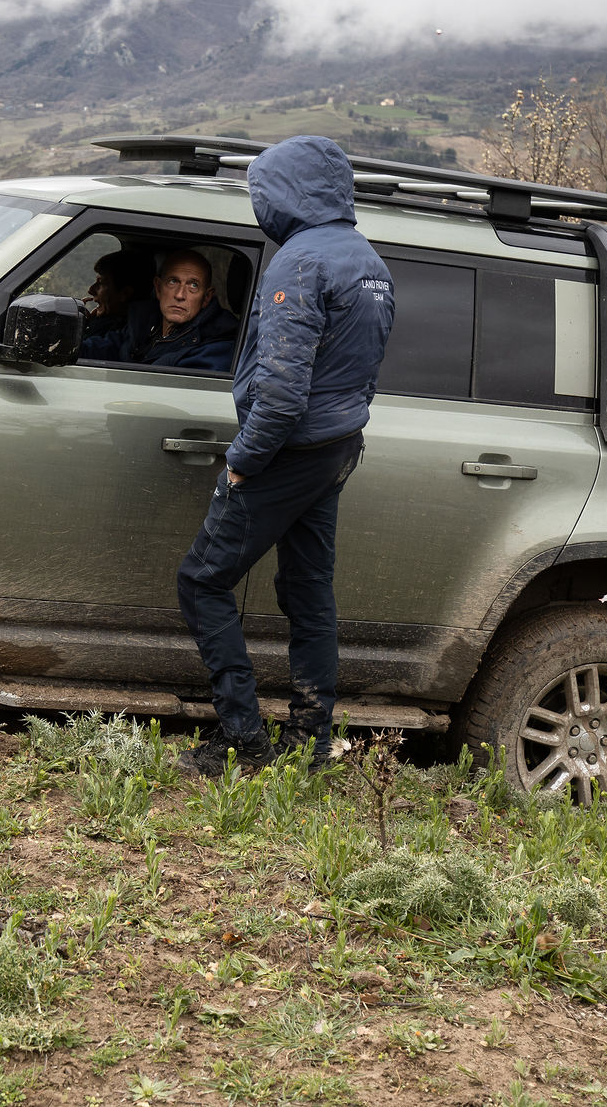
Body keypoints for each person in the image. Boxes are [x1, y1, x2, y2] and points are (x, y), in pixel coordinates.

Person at [175, 136, 395, 773]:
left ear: (286, 193)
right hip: (336, 446)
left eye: (260, 191)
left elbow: (281, 390)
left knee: (201, 582)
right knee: (307, 589)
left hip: (287, 452)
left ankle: (243, 740)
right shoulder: (367, 261)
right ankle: (312, 740)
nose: (257, 204)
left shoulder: (299, 263)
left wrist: (243, 459)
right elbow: (358, 372)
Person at [82, 249, 239, 371]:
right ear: (158, 288)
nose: (179, 295)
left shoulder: (217, 348)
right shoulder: (142, 323)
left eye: (193, 285)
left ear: (206, 297)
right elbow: (102, 348)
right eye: (173, 282)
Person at [81, 247, 156, 338]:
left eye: (101, 283)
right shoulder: (111, 325)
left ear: (124, 294)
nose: (91, 290)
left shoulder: (124, 336)